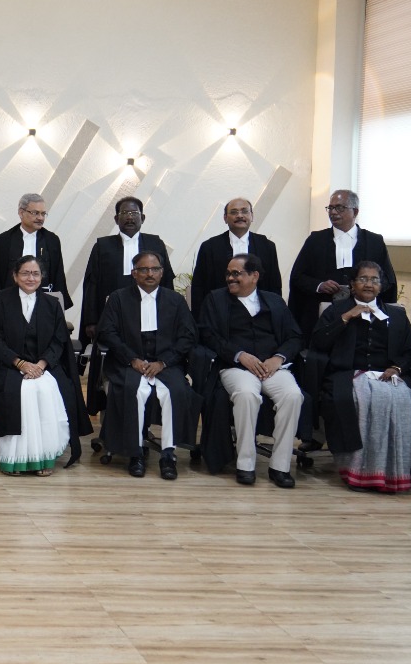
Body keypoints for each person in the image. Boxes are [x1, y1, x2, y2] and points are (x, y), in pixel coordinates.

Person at [310, 260, 411, 493]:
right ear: (352, 284)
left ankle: (396, 472)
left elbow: (409, 352)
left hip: (388, 374)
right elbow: (319, 343)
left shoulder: (396, 315)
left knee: (406, 400)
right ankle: (358, 471)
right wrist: (346, 318)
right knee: (361, 400)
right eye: (363, 279)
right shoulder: (336, 311)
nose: (368, 284)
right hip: (347, 374)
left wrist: (397, 368)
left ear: (381, 286)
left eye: (374, 280)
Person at [199, 253, 305, 487]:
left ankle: (280, 466)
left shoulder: (274, 301)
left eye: (236, 273)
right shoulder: (215, 299)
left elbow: (295, 337)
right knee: (247, 395)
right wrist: (240, 355)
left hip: (272, 368)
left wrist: (278, 358)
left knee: (293, 396)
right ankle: (245, 464)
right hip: (236, 367)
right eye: (228, 274)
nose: (230, 278)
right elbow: (208, 335)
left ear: (254, 276)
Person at [0, 255, 86, 475]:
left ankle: (43, 457)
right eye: (25, 273)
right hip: (8, 364)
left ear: (42, 277)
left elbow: (58, 341)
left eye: (35, 273)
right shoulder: (0, 303)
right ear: (15, 276)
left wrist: (41, 365)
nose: (30, 278)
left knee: (46, 390)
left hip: (44, 365)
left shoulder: (52, 304)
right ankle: (13, 459)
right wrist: (20, 363)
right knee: (22, 392)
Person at [95, 252, 197, 480]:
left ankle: (168, 454)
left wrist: (164, 362)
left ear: (162, 272)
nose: (150, 274)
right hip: (128, 362)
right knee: (135, 391)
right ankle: (136, 453)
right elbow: (107, 332)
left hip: (166, 363)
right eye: (143, 269)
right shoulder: (118, 298)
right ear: (134, 273)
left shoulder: (175, 301)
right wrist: (132, 359)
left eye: (155, 269)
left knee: (174, 391)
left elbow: (188, 336)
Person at [287, 188, 396, 343]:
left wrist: (365, 288)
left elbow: (387, 280)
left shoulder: (374, 241)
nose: (333, 212)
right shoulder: (315, 240)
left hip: (363, 315)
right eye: (330, 208)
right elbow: (298, 277)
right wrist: (319, 285)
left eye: (339, 208)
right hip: (321, 316)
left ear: (355, 211)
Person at [79, 196, 174, 348]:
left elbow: (166, 279)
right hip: (112, 314)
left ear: (142, 218)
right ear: (116, 219)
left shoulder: (155, 243)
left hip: (149, 311)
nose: (130, 218)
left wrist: (169, 314)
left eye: (134, 213)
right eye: (124, 213)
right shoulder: (102, 246)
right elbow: (92, 284)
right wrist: (91, 320)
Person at [189, 196, 281, 317]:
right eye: (234, 212)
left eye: (244, 211)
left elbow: (274, 284)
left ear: (252, 216)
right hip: (220, 314)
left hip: (259, 315)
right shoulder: (209, 247)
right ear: (225, 218)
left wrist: (275, 315)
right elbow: (199, 287)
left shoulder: (267, 246)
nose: (240, 215)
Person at [0, 192, 70, 308]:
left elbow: (58, 277)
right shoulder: (4, 240)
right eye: (35, 213)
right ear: (21, 212)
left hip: (42, 304)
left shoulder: (51, 240)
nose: (40, 218)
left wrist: (58, 308)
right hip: (9, 304)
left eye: (43, 214)